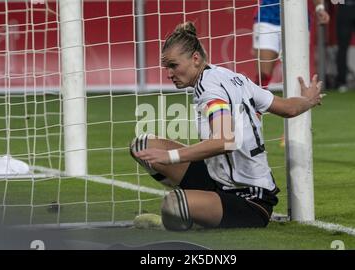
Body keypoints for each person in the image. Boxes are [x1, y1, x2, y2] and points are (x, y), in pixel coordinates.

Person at [130, 22, 324, 231]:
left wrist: (171, 156)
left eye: (173, 66)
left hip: (250, 199)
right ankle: (199, 205)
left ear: (195, 59)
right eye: (166, 67)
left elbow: (225, 140)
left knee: (174, 205)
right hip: (218, 180)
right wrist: (308, 100)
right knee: (142, 146)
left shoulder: (210, 89)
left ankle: (185, 214)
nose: (169, 73)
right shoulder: (233, 77)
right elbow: (287, 108)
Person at [253, 0, 330, 88]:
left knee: (297, 73)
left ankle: (301, 100)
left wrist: (320, 8)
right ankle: (259, 99)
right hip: (267, 18)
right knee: (263, 74)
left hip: (298, 20)